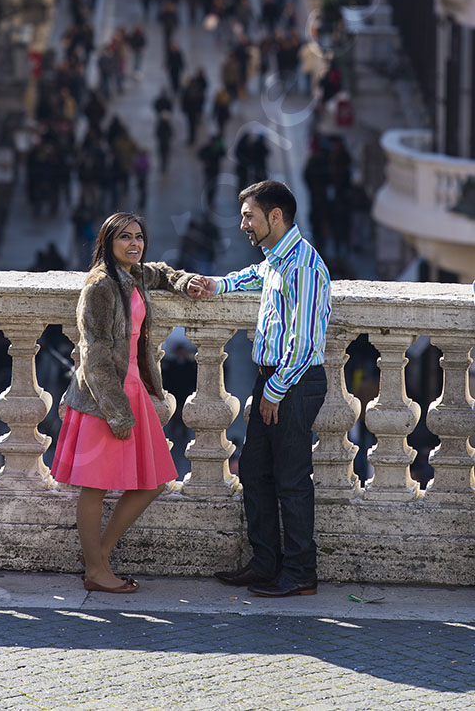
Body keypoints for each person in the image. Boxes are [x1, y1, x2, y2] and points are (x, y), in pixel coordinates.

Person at [188, 181, 331, 598]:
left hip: (293, 381)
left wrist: (275, 390)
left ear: (276, 216)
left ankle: (301, 571)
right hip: (274, 378)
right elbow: (252, 276)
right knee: (255, 471)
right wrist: (217, 285)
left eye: (249, 216)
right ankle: (266, 563)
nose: (242, 224)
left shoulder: (302, 265)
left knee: (291, 479)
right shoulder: (276, 260)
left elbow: (304, 342)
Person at [51, 213, 204, 593]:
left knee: (153, 481)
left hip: (132, 386)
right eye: (125, 237)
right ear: (107, 242)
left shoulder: (132, 274)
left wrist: (185, 281)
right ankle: (97, 570)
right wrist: (116, 411)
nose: (134, 244)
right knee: (94, 486)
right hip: (107, 397)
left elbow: (161, 272)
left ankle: (97, 559)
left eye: (139, 238)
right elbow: (94, 354)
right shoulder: (101, 286)